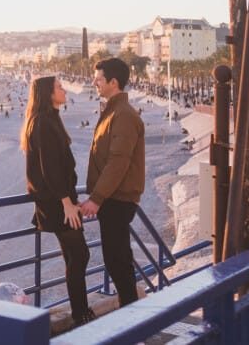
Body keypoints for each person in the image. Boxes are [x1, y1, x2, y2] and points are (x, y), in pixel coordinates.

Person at [22, 75, 95, 326]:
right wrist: (66, 203)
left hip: (61, 200)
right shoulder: (42, 122)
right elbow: (49, 168)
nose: (64, 90)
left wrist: (68, 199)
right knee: (80, 255)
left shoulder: (50, 119)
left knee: (75, 256)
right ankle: (81, 313)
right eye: (59, 87)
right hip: (57, 203)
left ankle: (81, 312)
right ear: (47, 94)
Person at [78, 56, 145, 309]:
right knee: (117, 259)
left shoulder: (123, 115)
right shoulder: (114, 111)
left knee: (117, 261)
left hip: (117, 200)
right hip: (112, 198)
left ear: (113, 82)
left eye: (98, 79)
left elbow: (118, 161)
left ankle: (131, 317)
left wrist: (96, 198)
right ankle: (130, 312)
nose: (94, 83)